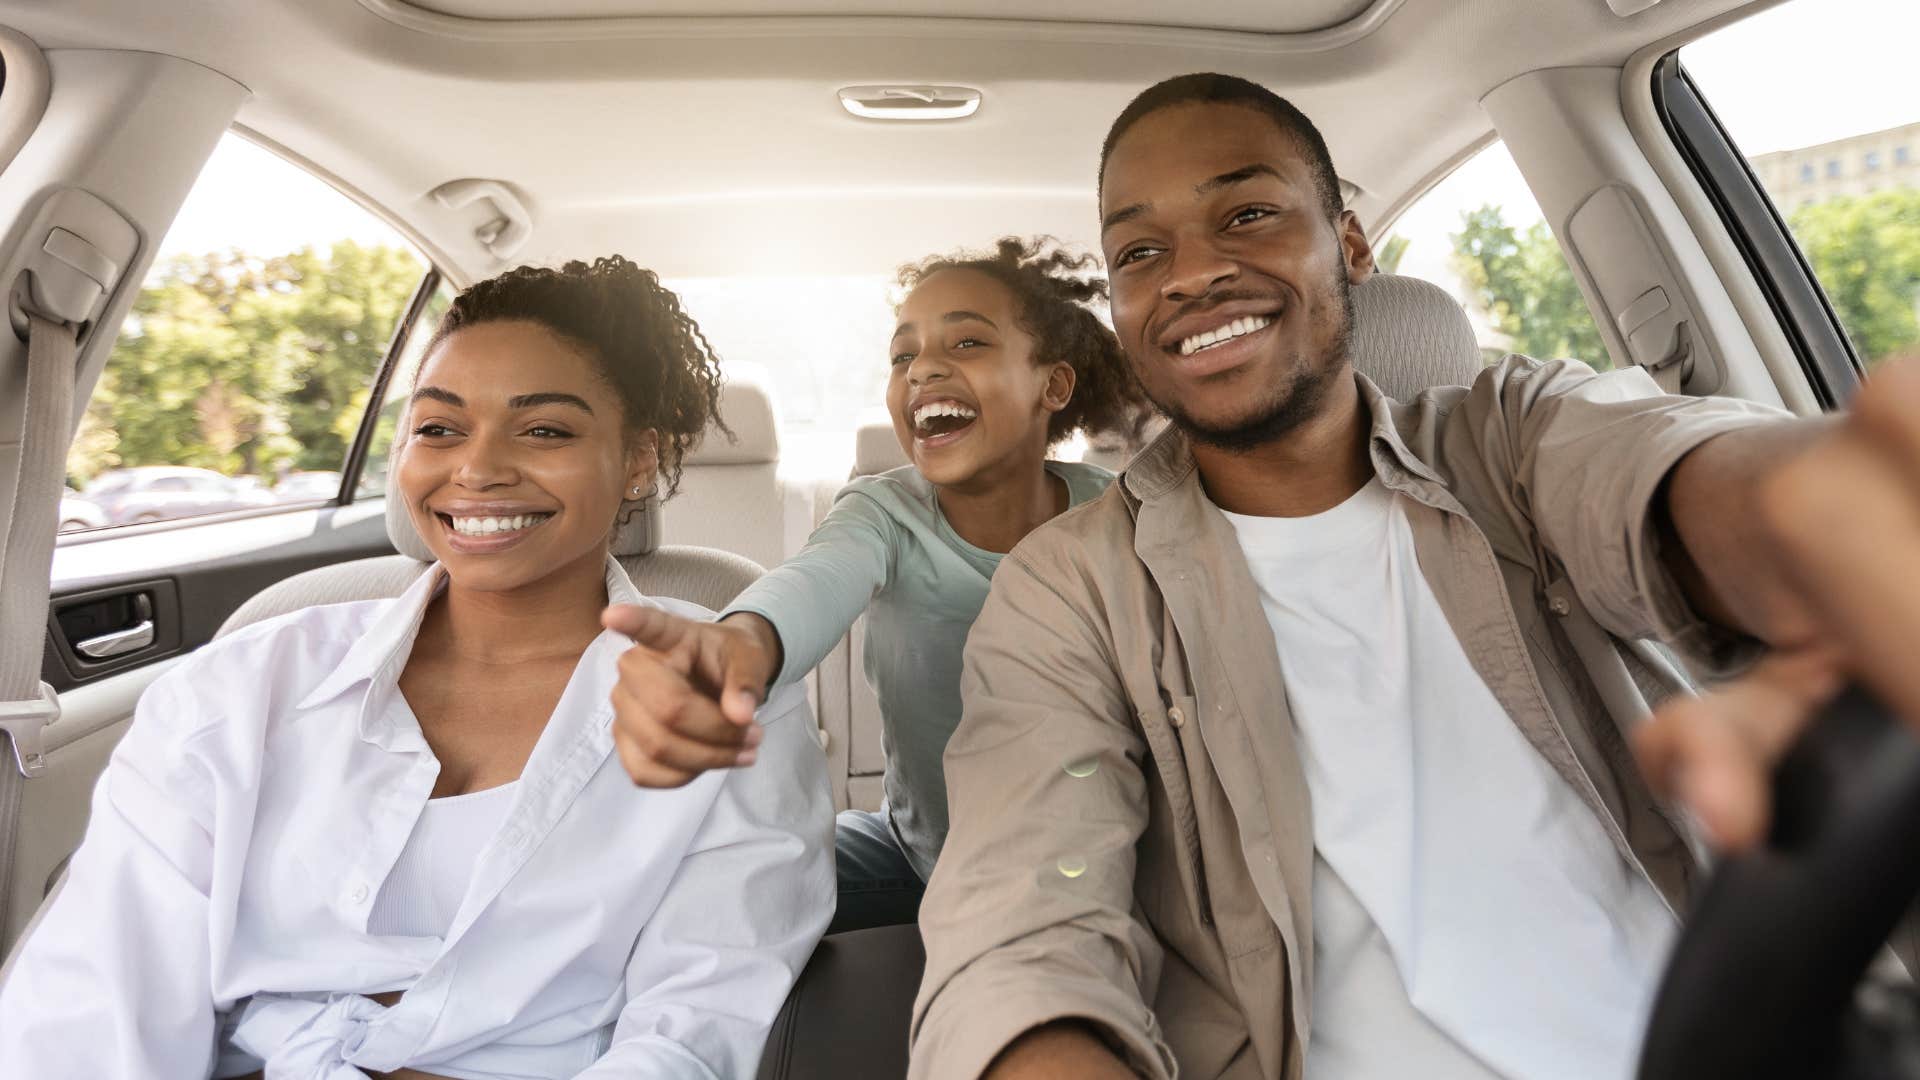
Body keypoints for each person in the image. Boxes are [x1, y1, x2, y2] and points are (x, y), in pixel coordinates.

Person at [909, 73, 1920, 1080]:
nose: (1190, 274)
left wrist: (1822, 511)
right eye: (1140, 251)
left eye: (1248, 213)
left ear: (1350, 246)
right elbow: (1023, 923)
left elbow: (1674, 478)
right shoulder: (1071, 590)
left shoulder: (1512, 442)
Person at [0, 257, 835, 1079]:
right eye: (439, 428)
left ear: (640, 460)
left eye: (544, 429)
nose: (476, 469)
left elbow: (697, 1023)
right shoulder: (240, 684)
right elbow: (99, 1001)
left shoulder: (723, 692)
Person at [601, 237, 1146, 932]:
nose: (923, 370)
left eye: (968, 343)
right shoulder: (883, 513)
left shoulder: (1125, 523)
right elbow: (814, 581)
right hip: (919, 855)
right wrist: (737, 646)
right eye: (902, 355)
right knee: (689, 890)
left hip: (1101, 865)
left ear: (1054, 386)